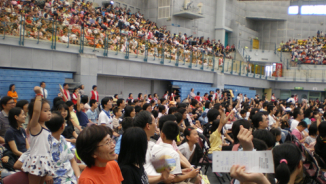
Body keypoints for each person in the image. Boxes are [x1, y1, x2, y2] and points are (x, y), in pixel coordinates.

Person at [21, 86, 53, 184]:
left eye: (49, 110)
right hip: (36, 160)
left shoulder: (46, 128)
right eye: (45, 111)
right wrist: (39, 94)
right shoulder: (35, 126)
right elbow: (36, 111)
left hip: (45, 160)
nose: (49, 113)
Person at [133, 111, 174, 184]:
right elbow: (139, 177)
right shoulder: (136, 147)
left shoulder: (151, 144)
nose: (156, 125)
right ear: (148, 126)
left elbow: (164, 167)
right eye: (154, 122)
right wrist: (161, 178)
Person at [44, 112, 80, 184]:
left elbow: (72, 161)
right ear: (62, 126)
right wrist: (46, 174)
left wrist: (79, 177)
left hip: (71, 178)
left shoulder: (62, 139)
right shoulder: (44, 143)